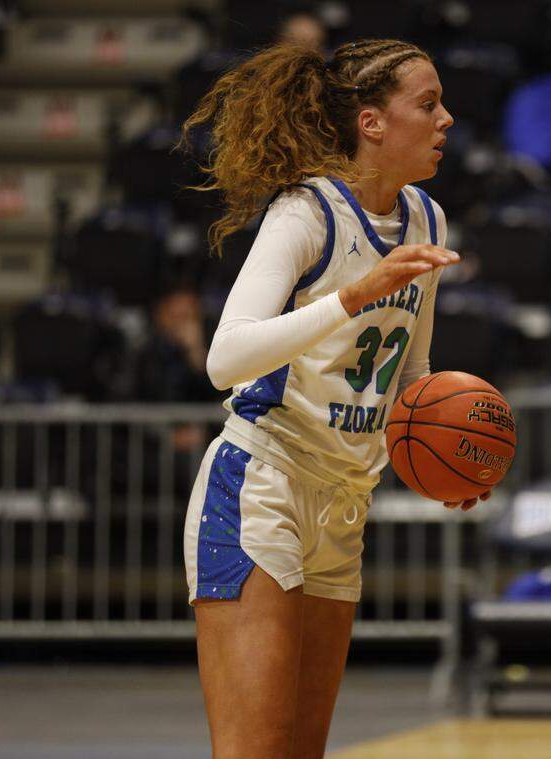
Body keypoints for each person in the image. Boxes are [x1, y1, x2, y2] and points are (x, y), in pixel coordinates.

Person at [178, 38, 473, 759]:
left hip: (345, 502)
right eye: (428, 104)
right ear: (372, 121)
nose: (446, 120)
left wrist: (449, 454)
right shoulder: (306, 212)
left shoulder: (428, 220)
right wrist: (352, 295)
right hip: (262, 486)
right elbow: (225, 358)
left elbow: (413, 370)